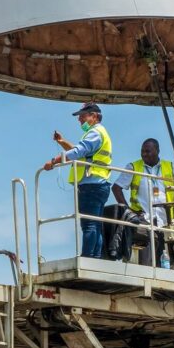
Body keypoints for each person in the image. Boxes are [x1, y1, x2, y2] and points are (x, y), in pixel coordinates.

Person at [111, 138, 174, 266]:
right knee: (145, 262)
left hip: (164, 223)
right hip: (143, 221)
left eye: (148, 151)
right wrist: (128, 212)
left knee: (164, 260)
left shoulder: (169, 166)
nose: (144, 154)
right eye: (142, 151)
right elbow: (116, 188)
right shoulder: (134, 167)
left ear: (157, 151)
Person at [43, 102, 113, 258]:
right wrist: (62, 142)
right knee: (95, 224)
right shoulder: (99, 133)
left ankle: (88, 258)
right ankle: (95, 257)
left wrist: (53, 162)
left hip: (92, 185)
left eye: (82, 116)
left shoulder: (95, 132)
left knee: (89, 224)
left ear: (94, 116)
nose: (79, 120)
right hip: (99, 184)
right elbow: (81, 152)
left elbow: (78, 151)